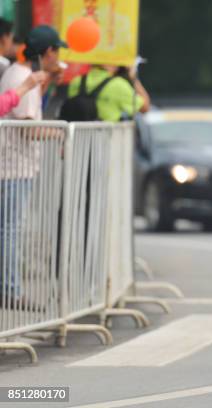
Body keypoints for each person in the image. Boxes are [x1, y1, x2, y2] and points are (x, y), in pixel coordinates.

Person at [0, 25, 65, 305]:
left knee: (9, 228)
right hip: (16, 166)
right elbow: (29, 128)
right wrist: (62, 133)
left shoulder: (17, 73)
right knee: (11, 229)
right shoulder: (23, 77)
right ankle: (11, 290)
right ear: (48, 52)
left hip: (12, 164)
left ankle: (10, 287)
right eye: (57, 50)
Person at [66, 63, 150, 122]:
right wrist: (133, 78)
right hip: (105, 144)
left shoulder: (76, 81)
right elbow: (145, 107)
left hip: (77, 144)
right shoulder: (118, 85)